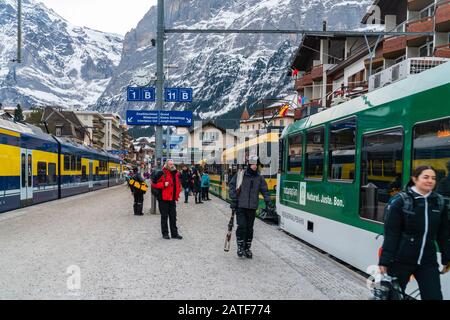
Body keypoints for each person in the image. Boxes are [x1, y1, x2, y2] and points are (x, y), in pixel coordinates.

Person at [379, 166, 450, 300]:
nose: (430, 181)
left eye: (433, 178)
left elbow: (443, 234)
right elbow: (391, 234)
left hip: (427, 261)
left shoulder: (438, 202)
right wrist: (385, 261)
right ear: (415, 179)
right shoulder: (401, 201)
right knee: (392, 297)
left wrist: (447, 257)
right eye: (426, 177)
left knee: (434, 296)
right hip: (401, 259)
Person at [229, 156, 272, 259]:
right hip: (241, 206)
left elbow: (265, 190)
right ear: (249, 164)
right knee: (242, 227)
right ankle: (240, 247)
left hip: (252, 207)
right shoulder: (240, 175)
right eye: (252, 164)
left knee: (249, 229)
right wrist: (234, 199)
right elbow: (232, 186)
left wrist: (268, 202)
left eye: (256, 164)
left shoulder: (259, 177)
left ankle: (247, 248)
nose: (254, 166)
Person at [151, 159, 183, 240]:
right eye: (170, 164)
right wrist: (163, 184)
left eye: (173, 164)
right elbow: (153, 183)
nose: (172, 165)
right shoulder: (161, 173)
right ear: (166, 165)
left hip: (172, 199)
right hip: (163, 199)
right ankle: (165, 234)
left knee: (173, 216)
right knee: (164, 217)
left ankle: (174, 234)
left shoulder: (175, 173)